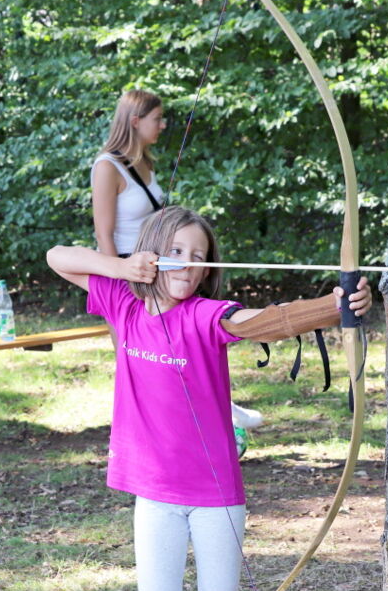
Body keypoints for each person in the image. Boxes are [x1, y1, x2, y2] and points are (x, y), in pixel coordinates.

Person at [47, 206, 372, 591]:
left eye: (199, 255)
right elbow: (57, 256)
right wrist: (122, 266)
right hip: (155, 495)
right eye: (176, 251)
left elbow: (261, 322)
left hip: (216, 497)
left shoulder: (207, 315)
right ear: (151, 253)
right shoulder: (123, 303)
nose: (188, 262)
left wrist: (335, 306)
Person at [91, 89, 262, 430]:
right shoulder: (107, 167)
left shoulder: (145, 163)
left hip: (158, 268)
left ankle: (209, 408)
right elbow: (103, 233)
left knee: (186, 342)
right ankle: (147, 426)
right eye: (158, 118)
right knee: (137, 358)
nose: (164, 124)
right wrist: (119, 280)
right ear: (135, 121)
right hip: (127, 272)